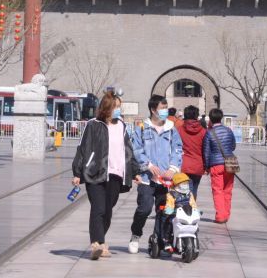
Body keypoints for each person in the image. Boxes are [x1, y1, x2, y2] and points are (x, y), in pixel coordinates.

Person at [72, 92, 139, 260]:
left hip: (116, 174)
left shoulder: (121, 126)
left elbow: (128, 149)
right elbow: (83, 148)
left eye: (119, 107)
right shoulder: (93, 125)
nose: (118, 110)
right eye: (116, 107)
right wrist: (78, 172)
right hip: (95, 173)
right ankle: (97, 243)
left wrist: (135, 172)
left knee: (108, 210)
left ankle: (101, 243)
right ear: (107, 108)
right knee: (98, 208)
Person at [129, 95, 183, 254]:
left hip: (165, 180)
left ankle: (158, 239)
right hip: (147, 178)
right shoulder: (142, 128)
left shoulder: (172, 129)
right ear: (153, 110)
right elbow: (136, 149)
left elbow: (178, 149)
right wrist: (148, 165)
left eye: (166, 108)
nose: (165, 111)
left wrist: (173, 169)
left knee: (164, 210)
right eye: (162, 108)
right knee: (144, 209)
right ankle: (136, 234)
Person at [202, 108, 237, 224]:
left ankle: (220, 216)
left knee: (217, 190)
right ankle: (226, 213)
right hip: (230, 162)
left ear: (210, 120)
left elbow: (206, 152)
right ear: (221, 118)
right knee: (228, 189)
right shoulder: (228, 130)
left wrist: (206, 167)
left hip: (216, 164)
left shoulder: (209, 133)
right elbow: (233, 146)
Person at [162, 172, 199, 253]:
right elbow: (170, 203)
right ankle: (166, 240)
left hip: (187, 213)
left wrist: (196, 210)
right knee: (168, 223)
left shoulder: (189, 194)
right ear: (177, 184)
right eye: (183, 183)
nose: (185, 185)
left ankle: (195, 240)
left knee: (195, 225)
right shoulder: (172, 194)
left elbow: (192, 203)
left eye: (186, 183)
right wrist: (169, 210)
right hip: (175, 214)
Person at [177, 105, 206, 197]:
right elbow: (206, 150)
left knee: (181, 190)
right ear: (197, 116)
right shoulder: (203, 131)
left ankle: (183, 208)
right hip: (198, 164)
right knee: (194, 188)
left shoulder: (179, 130)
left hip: (183, 164)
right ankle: (192, 208)